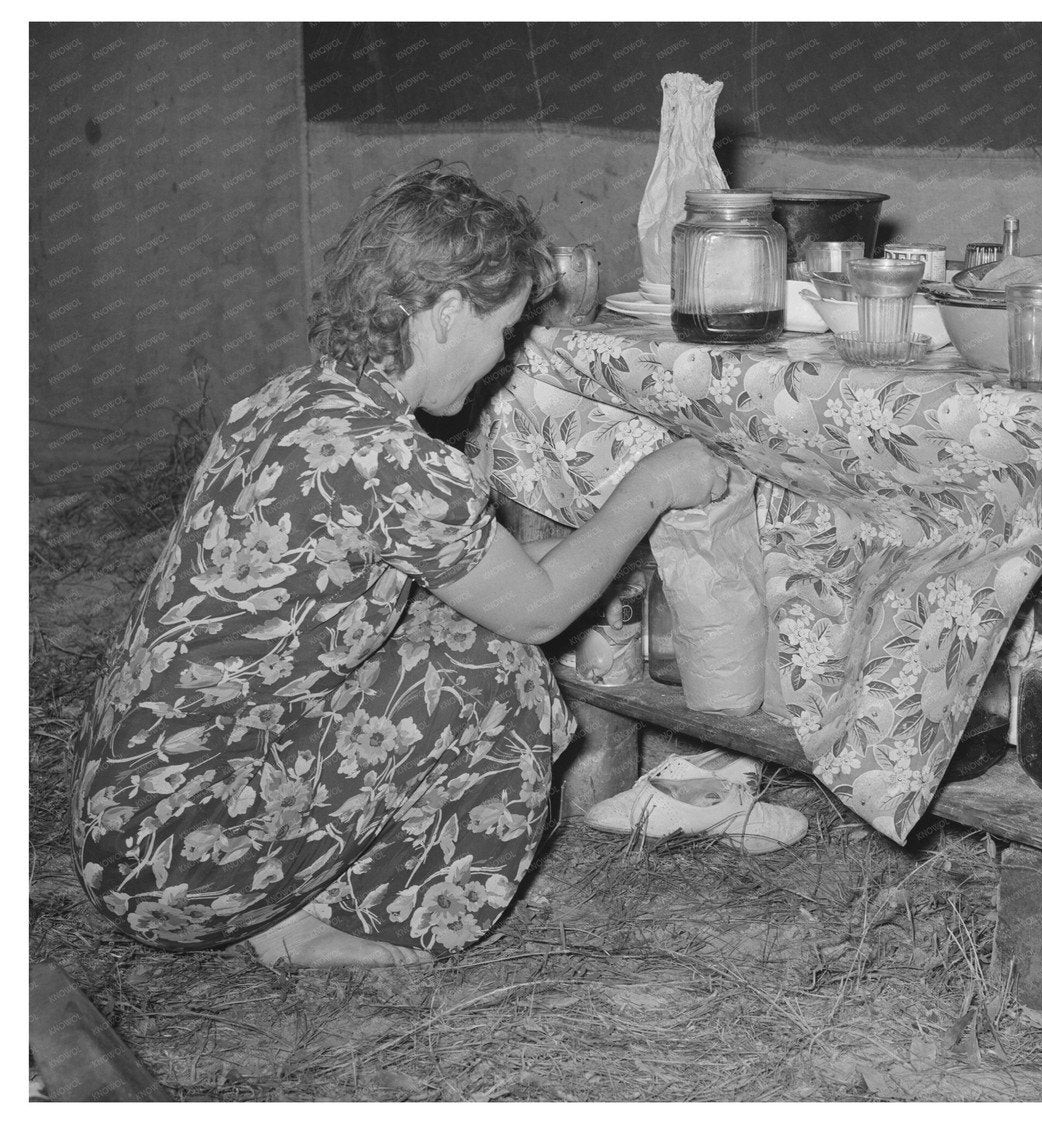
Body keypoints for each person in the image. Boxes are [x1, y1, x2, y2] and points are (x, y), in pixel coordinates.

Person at [69, 162, 728, 967]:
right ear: (447, 311)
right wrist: (651, 488)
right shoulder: (397, 465)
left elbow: (489, 576)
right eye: (505, 329)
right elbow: (536, 612)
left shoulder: (291, 403)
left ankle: (293, 901)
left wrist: (601, 543)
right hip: (178, 863)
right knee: (502, 672)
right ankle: (361, 921)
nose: (502, 356)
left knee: (456, 639)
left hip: (124, 813)